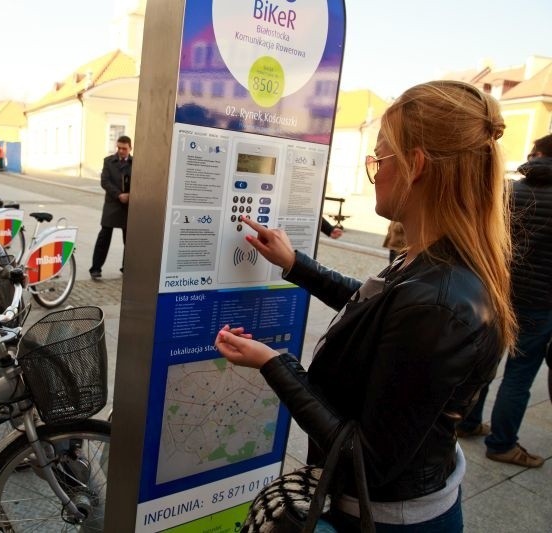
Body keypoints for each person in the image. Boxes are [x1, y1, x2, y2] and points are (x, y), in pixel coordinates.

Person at [214, 81, 516, 531]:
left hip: (390, 518)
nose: (372, 169)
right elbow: (379, 312)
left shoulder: (440, 303)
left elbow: (367, 459)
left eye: (379, 158)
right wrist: (297, 265)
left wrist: (275, 364)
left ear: (415, 166)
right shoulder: (428, 259)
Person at [456, 134, 552, 468]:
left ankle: (467, 422)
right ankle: (502, 443)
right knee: (519, 374)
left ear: (536, 154)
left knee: (487, 361)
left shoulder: (510, 190)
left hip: (497, 291)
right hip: (540, 300)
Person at [89, 135, 132, 279]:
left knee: (130, 239)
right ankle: (96, 268)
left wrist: (130, 195)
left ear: (130, 148)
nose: (121, 151)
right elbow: (105, 181)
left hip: (129, 206)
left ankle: (128, 266)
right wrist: (119, 195)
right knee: (104, 237)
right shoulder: (108, 161)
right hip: (112, 204)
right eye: (119, 148)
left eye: (124, 148)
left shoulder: (137, 163)